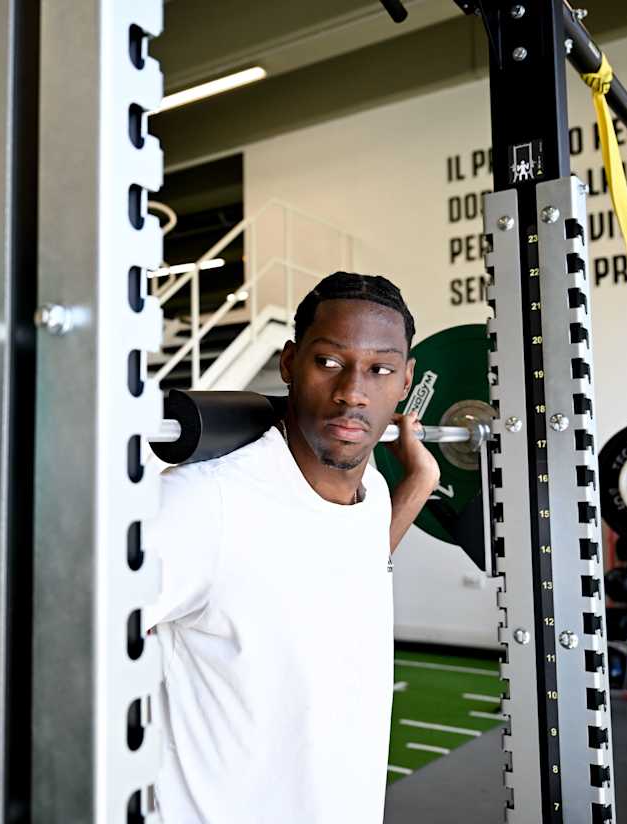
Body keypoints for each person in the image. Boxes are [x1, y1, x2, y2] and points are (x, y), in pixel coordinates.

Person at [143, 271, 441, 824]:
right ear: (288, 364)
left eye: (379, 369)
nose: (353, 392)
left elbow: (345, 568)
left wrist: (418, 485)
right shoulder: (204, 504)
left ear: (405, 382)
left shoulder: (373, 490)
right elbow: (61, 644)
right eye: (329, 362)